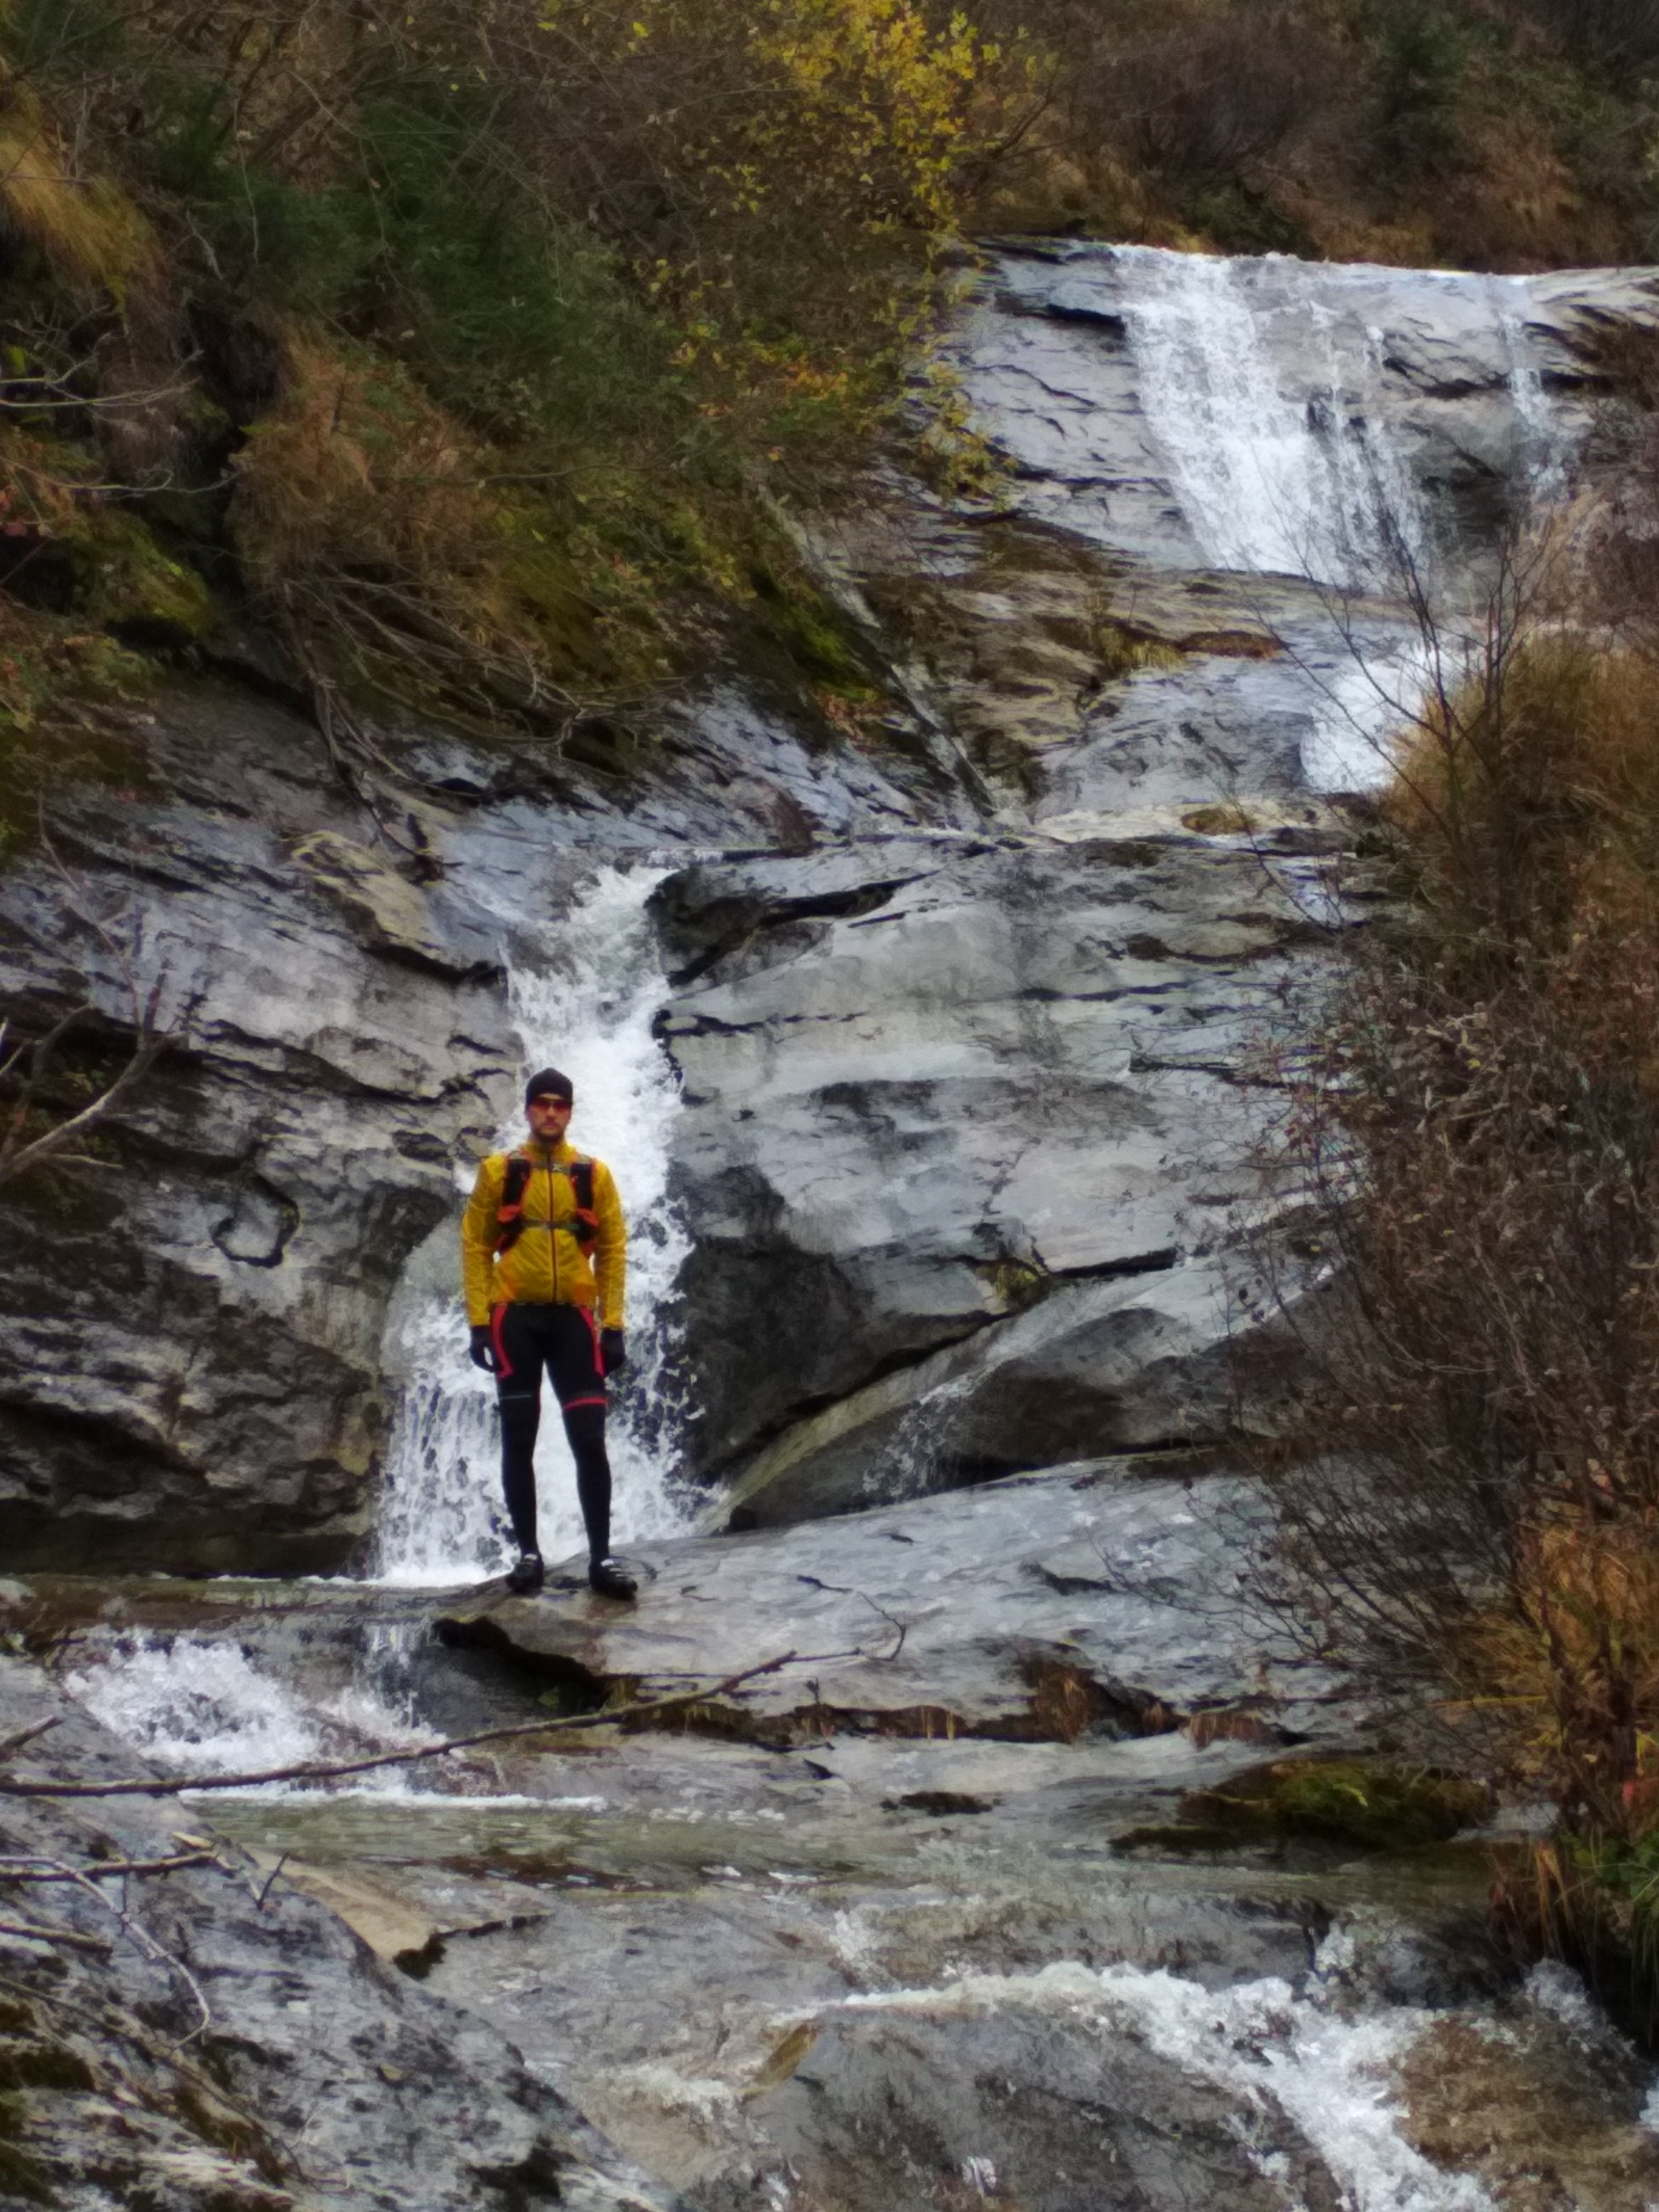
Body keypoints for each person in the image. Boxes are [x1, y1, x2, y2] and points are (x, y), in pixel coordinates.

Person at [460, 1067, 638, 1600]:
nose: (551, 1112)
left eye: (560, 1104)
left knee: (590, 1441)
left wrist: (613, 1325)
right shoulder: (499, 1171)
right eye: (543, 1103)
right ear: (528, 1109)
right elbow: (475, 1245)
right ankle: (529, 1554)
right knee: (519, 1438)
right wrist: (478, 1323)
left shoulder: (593, 1174)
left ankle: (602, 1558)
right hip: (513, 1318)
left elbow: (613, 1250)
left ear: (571, 1112)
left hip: (573, 1322)